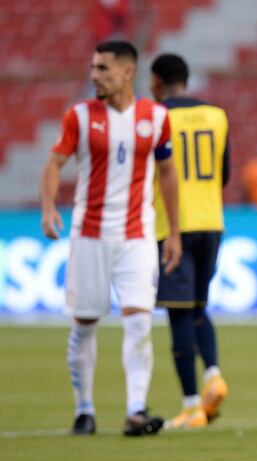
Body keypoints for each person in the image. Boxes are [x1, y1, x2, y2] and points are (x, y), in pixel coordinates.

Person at [39, 41, 182, 437]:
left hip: (137, 236)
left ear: (127, 72)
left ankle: (136, 410)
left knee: (138, 321)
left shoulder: (156, 117)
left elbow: (168, 173)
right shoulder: (80, 116)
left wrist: (173, 231)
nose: (94, 75)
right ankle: (84, 409)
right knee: (84, 325)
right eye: (93, 68)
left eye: (102, 68)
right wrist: (48, 207)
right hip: (89, 235)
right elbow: (54, 162)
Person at [149, 53, 230, 430]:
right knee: (199, 306)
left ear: (156, 81)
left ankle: (192, 406)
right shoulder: (217, 115)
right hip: (211, 222)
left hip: (173, 227)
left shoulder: (154, 117)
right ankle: (213, 373)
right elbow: (224, 174)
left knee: (178, 312)